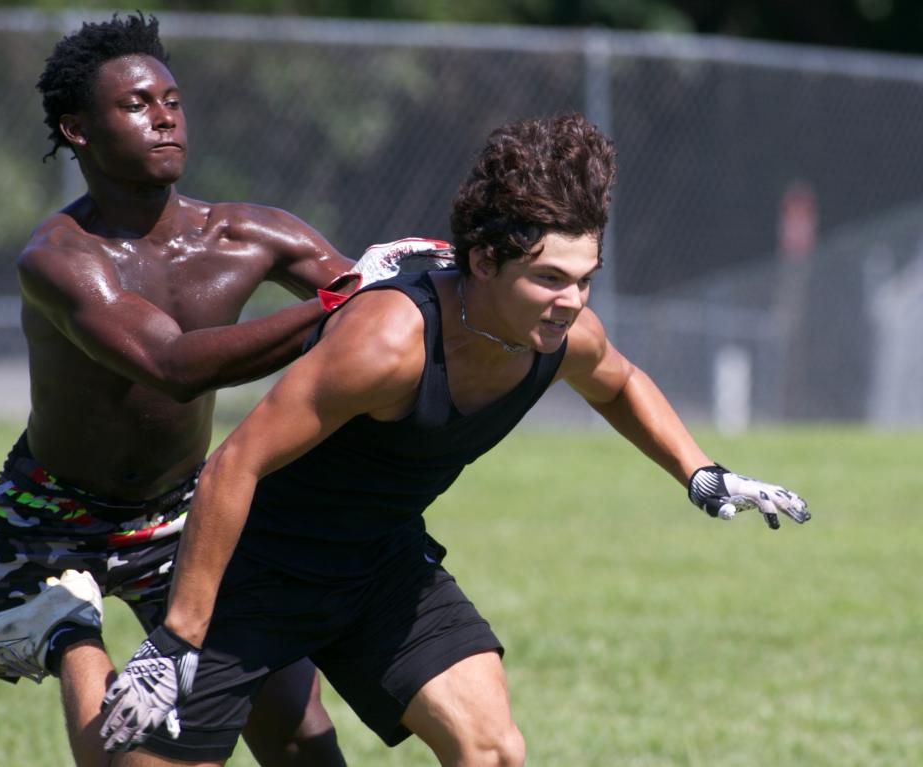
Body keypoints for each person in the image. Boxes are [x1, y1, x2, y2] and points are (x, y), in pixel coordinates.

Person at [100, 112, 811, 766]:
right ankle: (68, 636)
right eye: (548, 279)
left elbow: (620, 382)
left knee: (493, 750)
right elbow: (235, 461)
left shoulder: (563, 339)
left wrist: (701, 473)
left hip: (380, 566)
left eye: (584, 280)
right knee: (139, 753)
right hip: (254, 572)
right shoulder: (388, 342)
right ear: (481, 261)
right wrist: (177, 638)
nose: (571, 301)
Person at [0, 12, 452, 767]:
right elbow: (173, 364)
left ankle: (62, 634)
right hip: (44, 515)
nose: (163, 117)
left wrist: (468, 277)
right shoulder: (58, 258)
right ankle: (53, 625)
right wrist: (340, 299)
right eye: (134, 104)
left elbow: (376, 313)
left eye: (171, 100)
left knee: (295, 730)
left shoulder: (251, 234)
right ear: (79, 129)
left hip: (181, 514)